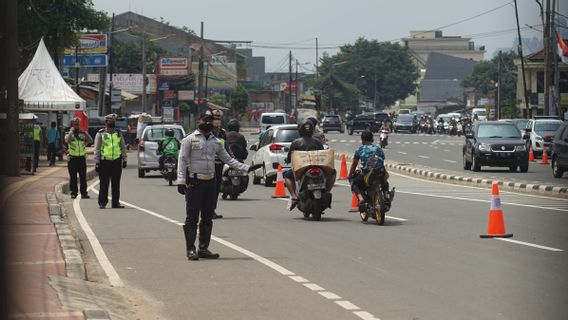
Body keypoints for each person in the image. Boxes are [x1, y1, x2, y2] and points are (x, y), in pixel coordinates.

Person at [176, 110, 261, 261]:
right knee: (192, 217)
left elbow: (228, 159)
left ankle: (203, 248)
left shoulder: (216, 142)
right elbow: (182, 160)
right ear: (199, 122)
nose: (208, 123)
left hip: (211, 182)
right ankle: (190, 249)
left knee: (208, 217)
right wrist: (181, 181)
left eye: (211, 121)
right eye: (205, 120)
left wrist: (246, 168)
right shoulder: (189, 139)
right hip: (194, 182)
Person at [284, 120, 325, 211]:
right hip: (317, 167)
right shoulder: (318, 142)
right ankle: (327, 191)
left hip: (301, 169)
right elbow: (323, 155)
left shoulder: (296, 142)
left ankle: (294, 196)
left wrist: (287, 160)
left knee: (287, 175)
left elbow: (289, 157)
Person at [348, 130, 390, 210]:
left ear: (362, 140)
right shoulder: (379, 149)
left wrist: (350, 176)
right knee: (385, 183)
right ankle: (386, 197)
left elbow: (354, 164)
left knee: (355, 183)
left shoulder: (359, 150)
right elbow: (382, 161)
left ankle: (361, 200)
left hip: (367, 175)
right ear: (372, 139)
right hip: (380, 172)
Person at [94, 114, 127, 209]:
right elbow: (97, 149)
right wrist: (97, 162)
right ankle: (102, 202)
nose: (111, 125)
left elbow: (123, 146)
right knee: (104, 184)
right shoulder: (100, 134)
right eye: (109, 123)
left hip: (116, 161)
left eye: (112, 123)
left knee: (116, 184)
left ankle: (115, 203)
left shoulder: (118, 133)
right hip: (105, 162)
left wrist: (124, 159)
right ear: (105, 123)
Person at [65, 117, 93, 199]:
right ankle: (74, 193)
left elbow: (90, 140)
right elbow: (66, 140)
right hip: (72, 158)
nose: (76, 126)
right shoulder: (69, 133)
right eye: (75, 124)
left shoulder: (82, 133)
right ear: (72, 125)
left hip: (81, 158)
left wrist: (85, 133)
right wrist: (71, 132)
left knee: (83, 177)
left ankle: (84, 193)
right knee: (73, 177)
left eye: (77, 124)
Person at [211, 109, 232, 219]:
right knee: (209, 189)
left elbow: (227, 148)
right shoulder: (207, 132)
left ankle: (212, 210)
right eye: (215, 119)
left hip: (219, 165)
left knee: (216, 188)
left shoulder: (222, 133)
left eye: (219, 119)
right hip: (208, 165)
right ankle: (207, 210)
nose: (217, 122)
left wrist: (233, 160)